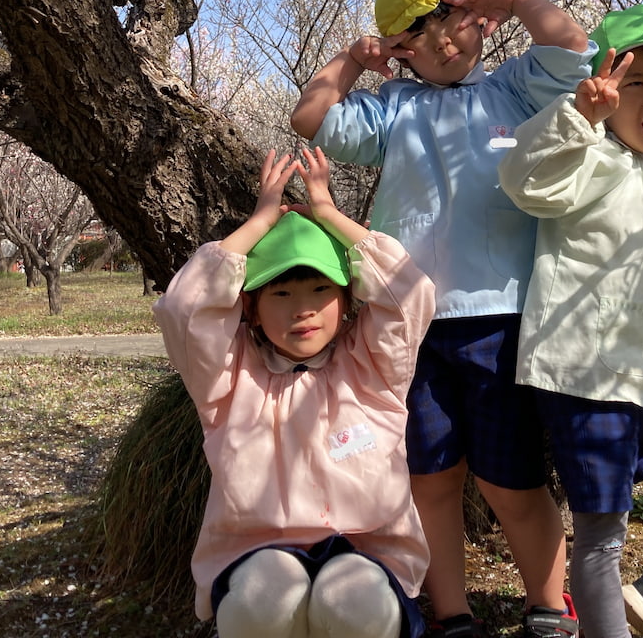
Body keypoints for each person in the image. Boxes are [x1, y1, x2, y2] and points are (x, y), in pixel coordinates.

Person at [290, 0, 594, 637]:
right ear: (400, 50)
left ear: (478, 20)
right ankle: (452, 613)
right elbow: (309, 116)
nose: (443, 43)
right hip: (410, 325)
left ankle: (550, 606)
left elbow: (573, 45)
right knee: (430, 476)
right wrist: (354, 58)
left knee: (512, 478)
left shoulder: (516, 88)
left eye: (452, 23)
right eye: (418, 36)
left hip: (502, 318)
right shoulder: (391, 109)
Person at [496, 4, 643, 638]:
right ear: (602, 85)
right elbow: (523, 180)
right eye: (636, 82)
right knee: (603, 532)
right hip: (587, 377)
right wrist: (578, 117)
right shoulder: (587, 154)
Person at [152, 146, 435, 638]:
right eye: (281, 294)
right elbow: (184, 311)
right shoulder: (228, 379)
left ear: (346, 299)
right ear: (251, 308)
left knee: (353, 601)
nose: (302, 310)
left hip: (368, 553)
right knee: (263, 599)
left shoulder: (372, 369)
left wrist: (328, 214)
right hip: (253, 554)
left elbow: (410, 295)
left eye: (320, 291)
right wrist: (259, 222)